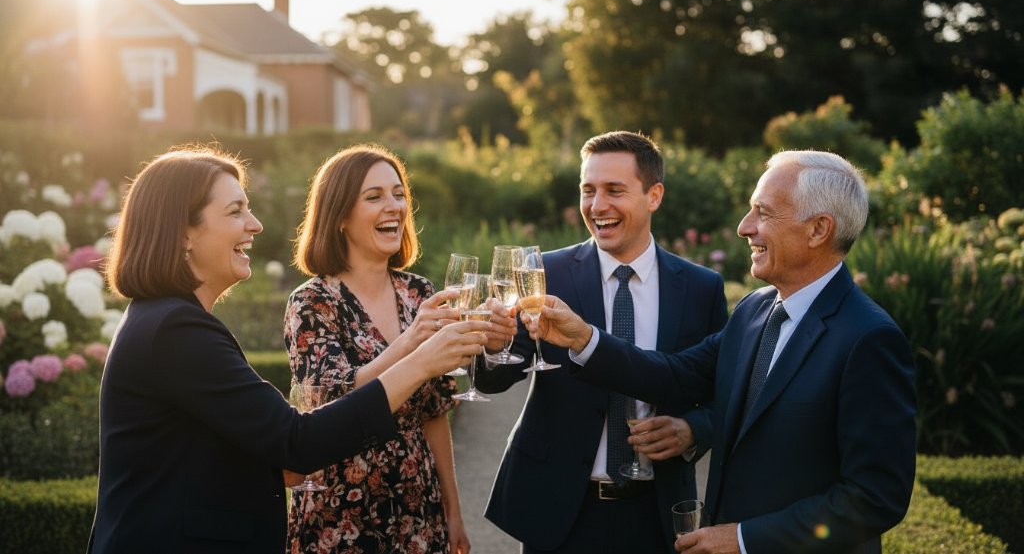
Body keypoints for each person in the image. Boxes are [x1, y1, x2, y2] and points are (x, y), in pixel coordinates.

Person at [88, 147, 487, 554]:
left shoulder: (168, 321)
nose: (256, 224)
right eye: (235, 211)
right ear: (183, 233)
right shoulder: (176, 330)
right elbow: (297, 441)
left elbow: (255, 448)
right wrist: (419, 361)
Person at [525, 150, 917, 554]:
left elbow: (876, 497)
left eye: (762, 213)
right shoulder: (755, 310)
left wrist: (744, 539)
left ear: (818, 229)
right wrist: (584, 338)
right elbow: (673, 376)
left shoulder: (869, 339)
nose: (744, 227)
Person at [474, 131, 728, 553]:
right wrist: (493, 345)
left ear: (654, 195)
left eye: (614, 190)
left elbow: (724, 391)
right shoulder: (544, 273)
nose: (597, 206)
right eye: (588, 191)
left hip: (658, 513)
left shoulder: (701, 288)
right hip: (559, 511)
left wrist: (692, 429)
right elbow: (495, 378)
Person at [285, 144, 470, 553]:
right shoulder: (313, 302)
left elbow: (434, 412)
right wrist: (413, 344)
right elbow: (333, 400)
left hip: (419, 509)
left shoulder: (419, 292)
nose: (395, 207)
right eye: (374, 197)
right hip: (340, 513)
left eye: (399, 193)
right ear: (340, 218)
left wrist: (453, 510)